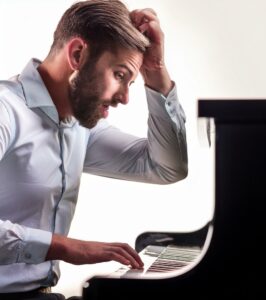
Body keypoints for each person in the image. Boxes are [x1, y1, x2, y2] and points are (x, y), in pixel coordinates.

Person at [0, 0, 187, 298]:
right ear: (77, 54)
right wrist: (66, 246)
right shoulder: (5, 110)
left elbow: (166, 167)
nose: (125, 97)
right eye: (120, 75)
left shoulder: (80, 128)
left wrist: (156, 72)